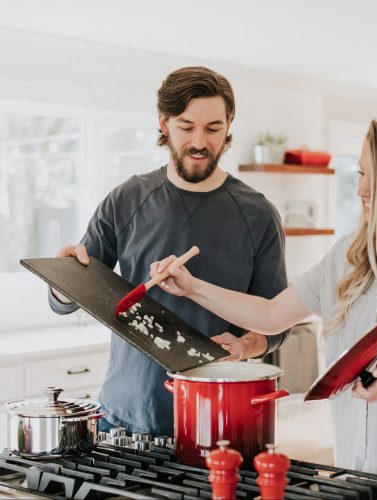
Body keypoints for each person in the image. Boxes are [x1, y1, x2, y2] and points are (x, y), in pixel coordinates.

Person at [155, 109, 377, 497]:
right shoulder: (349, 257)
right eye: (360, 173)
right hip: (365, 482)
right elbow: (271, 315)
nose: (361, 189)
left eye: (372, 176)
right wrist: (191, 286)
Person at [49, 66, 290, 436]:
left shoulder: (258, 215)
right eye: (186, 126)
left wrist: (246, 345)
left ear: (228, 126)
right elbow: (70, 294)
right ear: (164, 123)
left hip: (217, 420)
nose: (199, 142)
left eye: (213, 128)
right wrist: (61, 282)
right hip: (122, 418)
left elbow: (276, 324)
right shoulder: (126, 199)